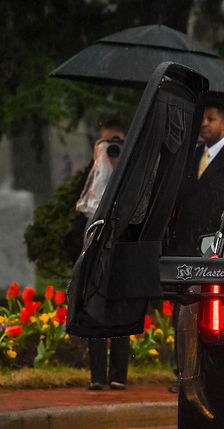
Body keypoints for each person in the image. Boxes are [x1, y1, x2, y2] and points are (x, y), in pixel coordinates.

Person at [166, 103, 224, 392]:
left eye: (211, 119)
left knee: (211, 311)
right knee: (184, 308)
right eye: (201, 119)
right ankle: (182, 370)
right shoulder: (191, 157)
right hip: (186, 245)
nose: (204, 124)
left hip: (216, 245)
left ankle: (209, 369)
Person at [75, 119, 130, 391]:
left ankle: (119, 374)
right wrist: (97, 162)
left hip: (121, 251)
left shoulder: (132, 174)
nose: (112, 148)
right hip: (95, 249)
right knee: (94, 307)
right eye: (107, 143)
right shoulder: (91, 174)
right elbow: (80, 210)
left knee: (120, 308)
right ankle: (97, 376)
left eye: (117, 142)